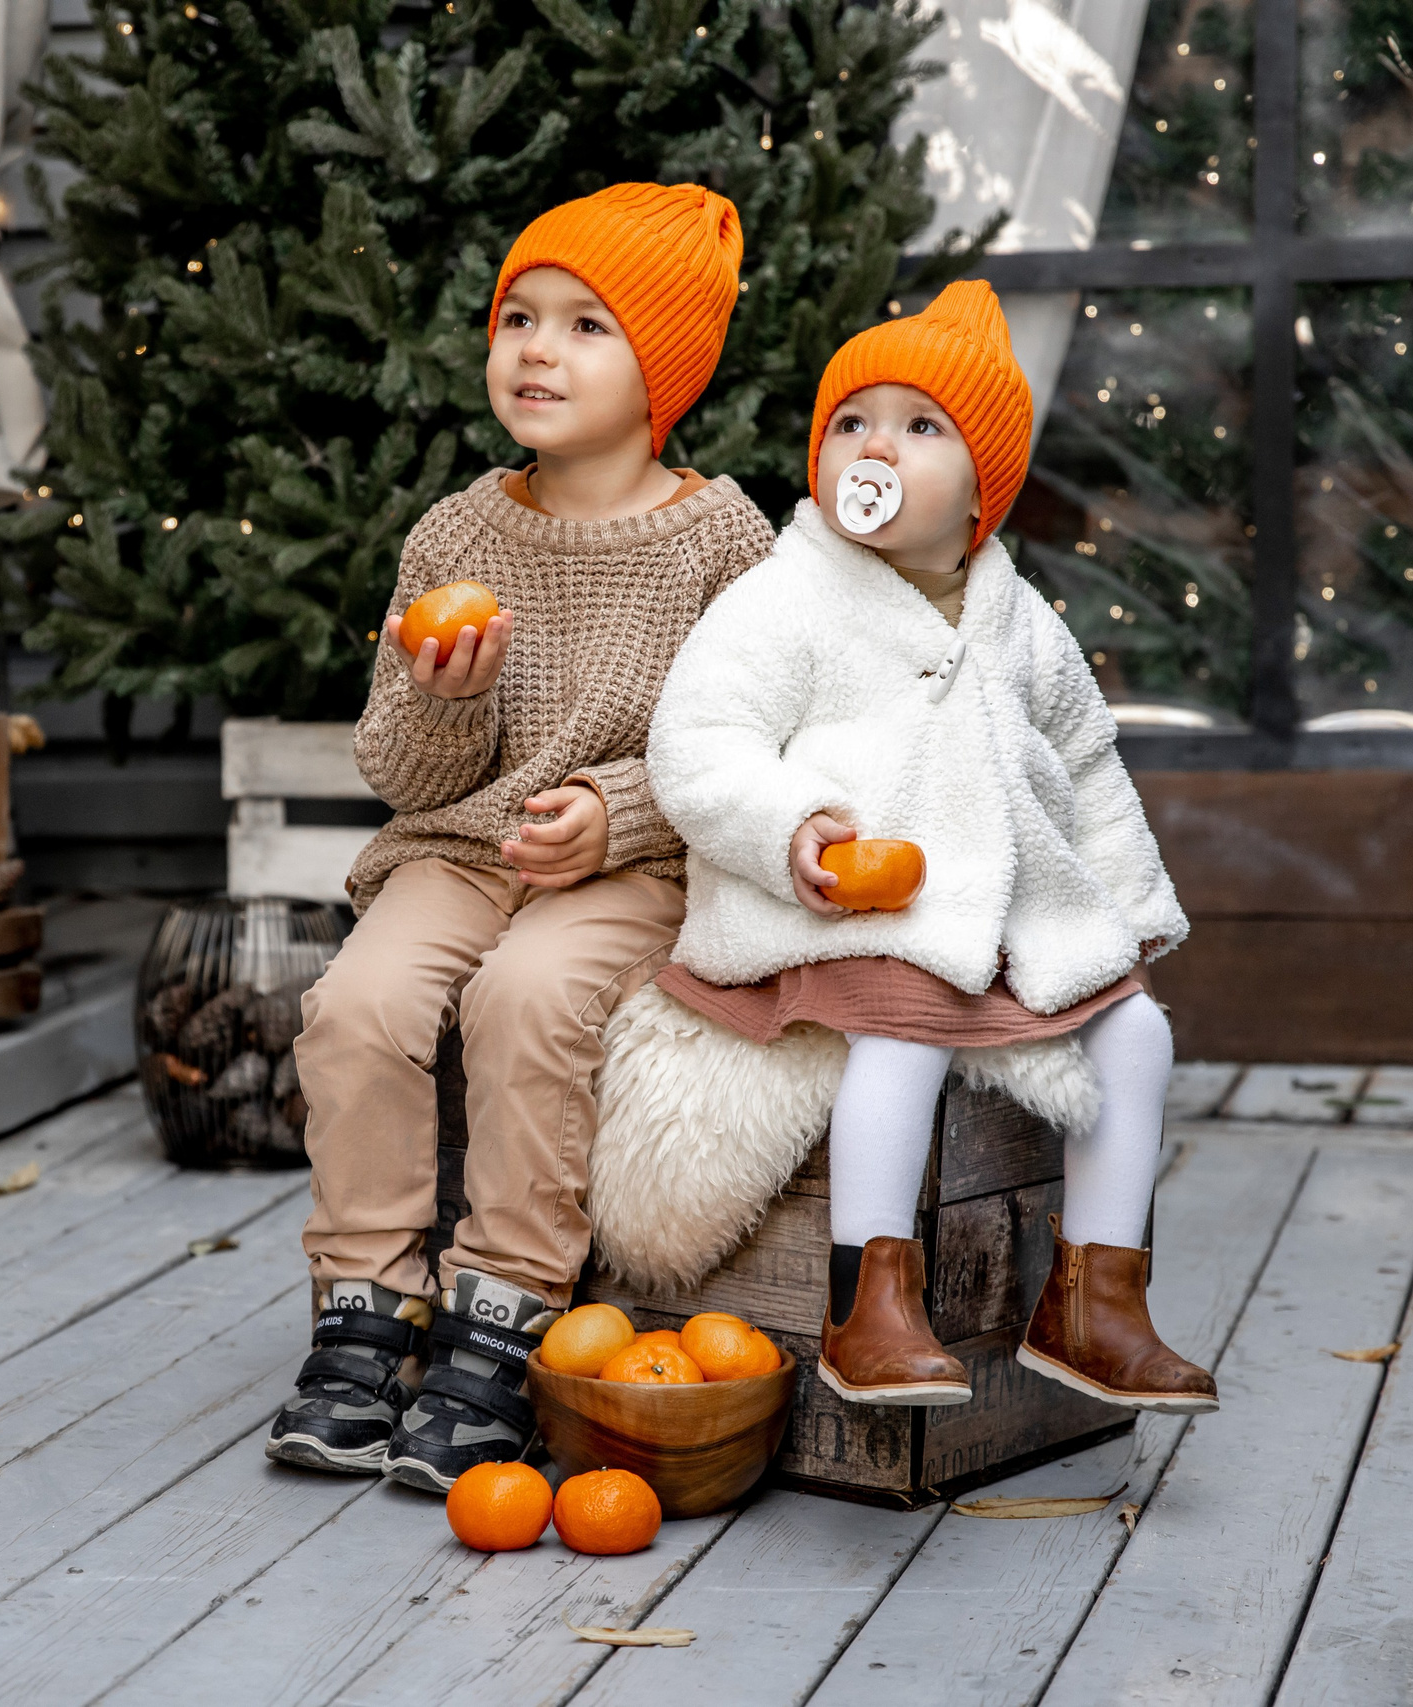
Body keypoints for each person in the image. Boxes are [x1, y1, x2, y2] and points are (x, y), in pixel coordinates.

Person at [267, 182, 777, 1493]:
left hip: (633, 865)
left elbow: (759, 750)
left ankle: (504, 1309)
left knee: (530, 994)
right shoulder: (460, 529)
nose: (537, 350)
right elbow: (398, 764)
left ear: (662, 369)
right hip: (455, 847)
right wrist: (451, 698)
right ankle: (365, 1307)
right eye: (518, 317)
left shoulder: (724, 542)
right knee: (358, 1002)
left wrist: (620, 813)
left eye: (586, 325)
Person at [644, 280, 1219, 1414]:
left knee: (1138, 1034)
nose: (875, 447)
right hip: (842, 906)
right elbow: (697, 742)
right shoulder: (781, 601)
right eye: (851, 423)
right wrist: (787, 825)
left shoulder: (1021, 623)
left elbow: (1088, 764)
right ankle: (871, 1300)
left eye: (920, 427)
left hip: (1001, 910)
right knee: (900, 1036)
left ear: (982, 493)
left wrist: (1129, 905)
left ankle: (1095, 1300)